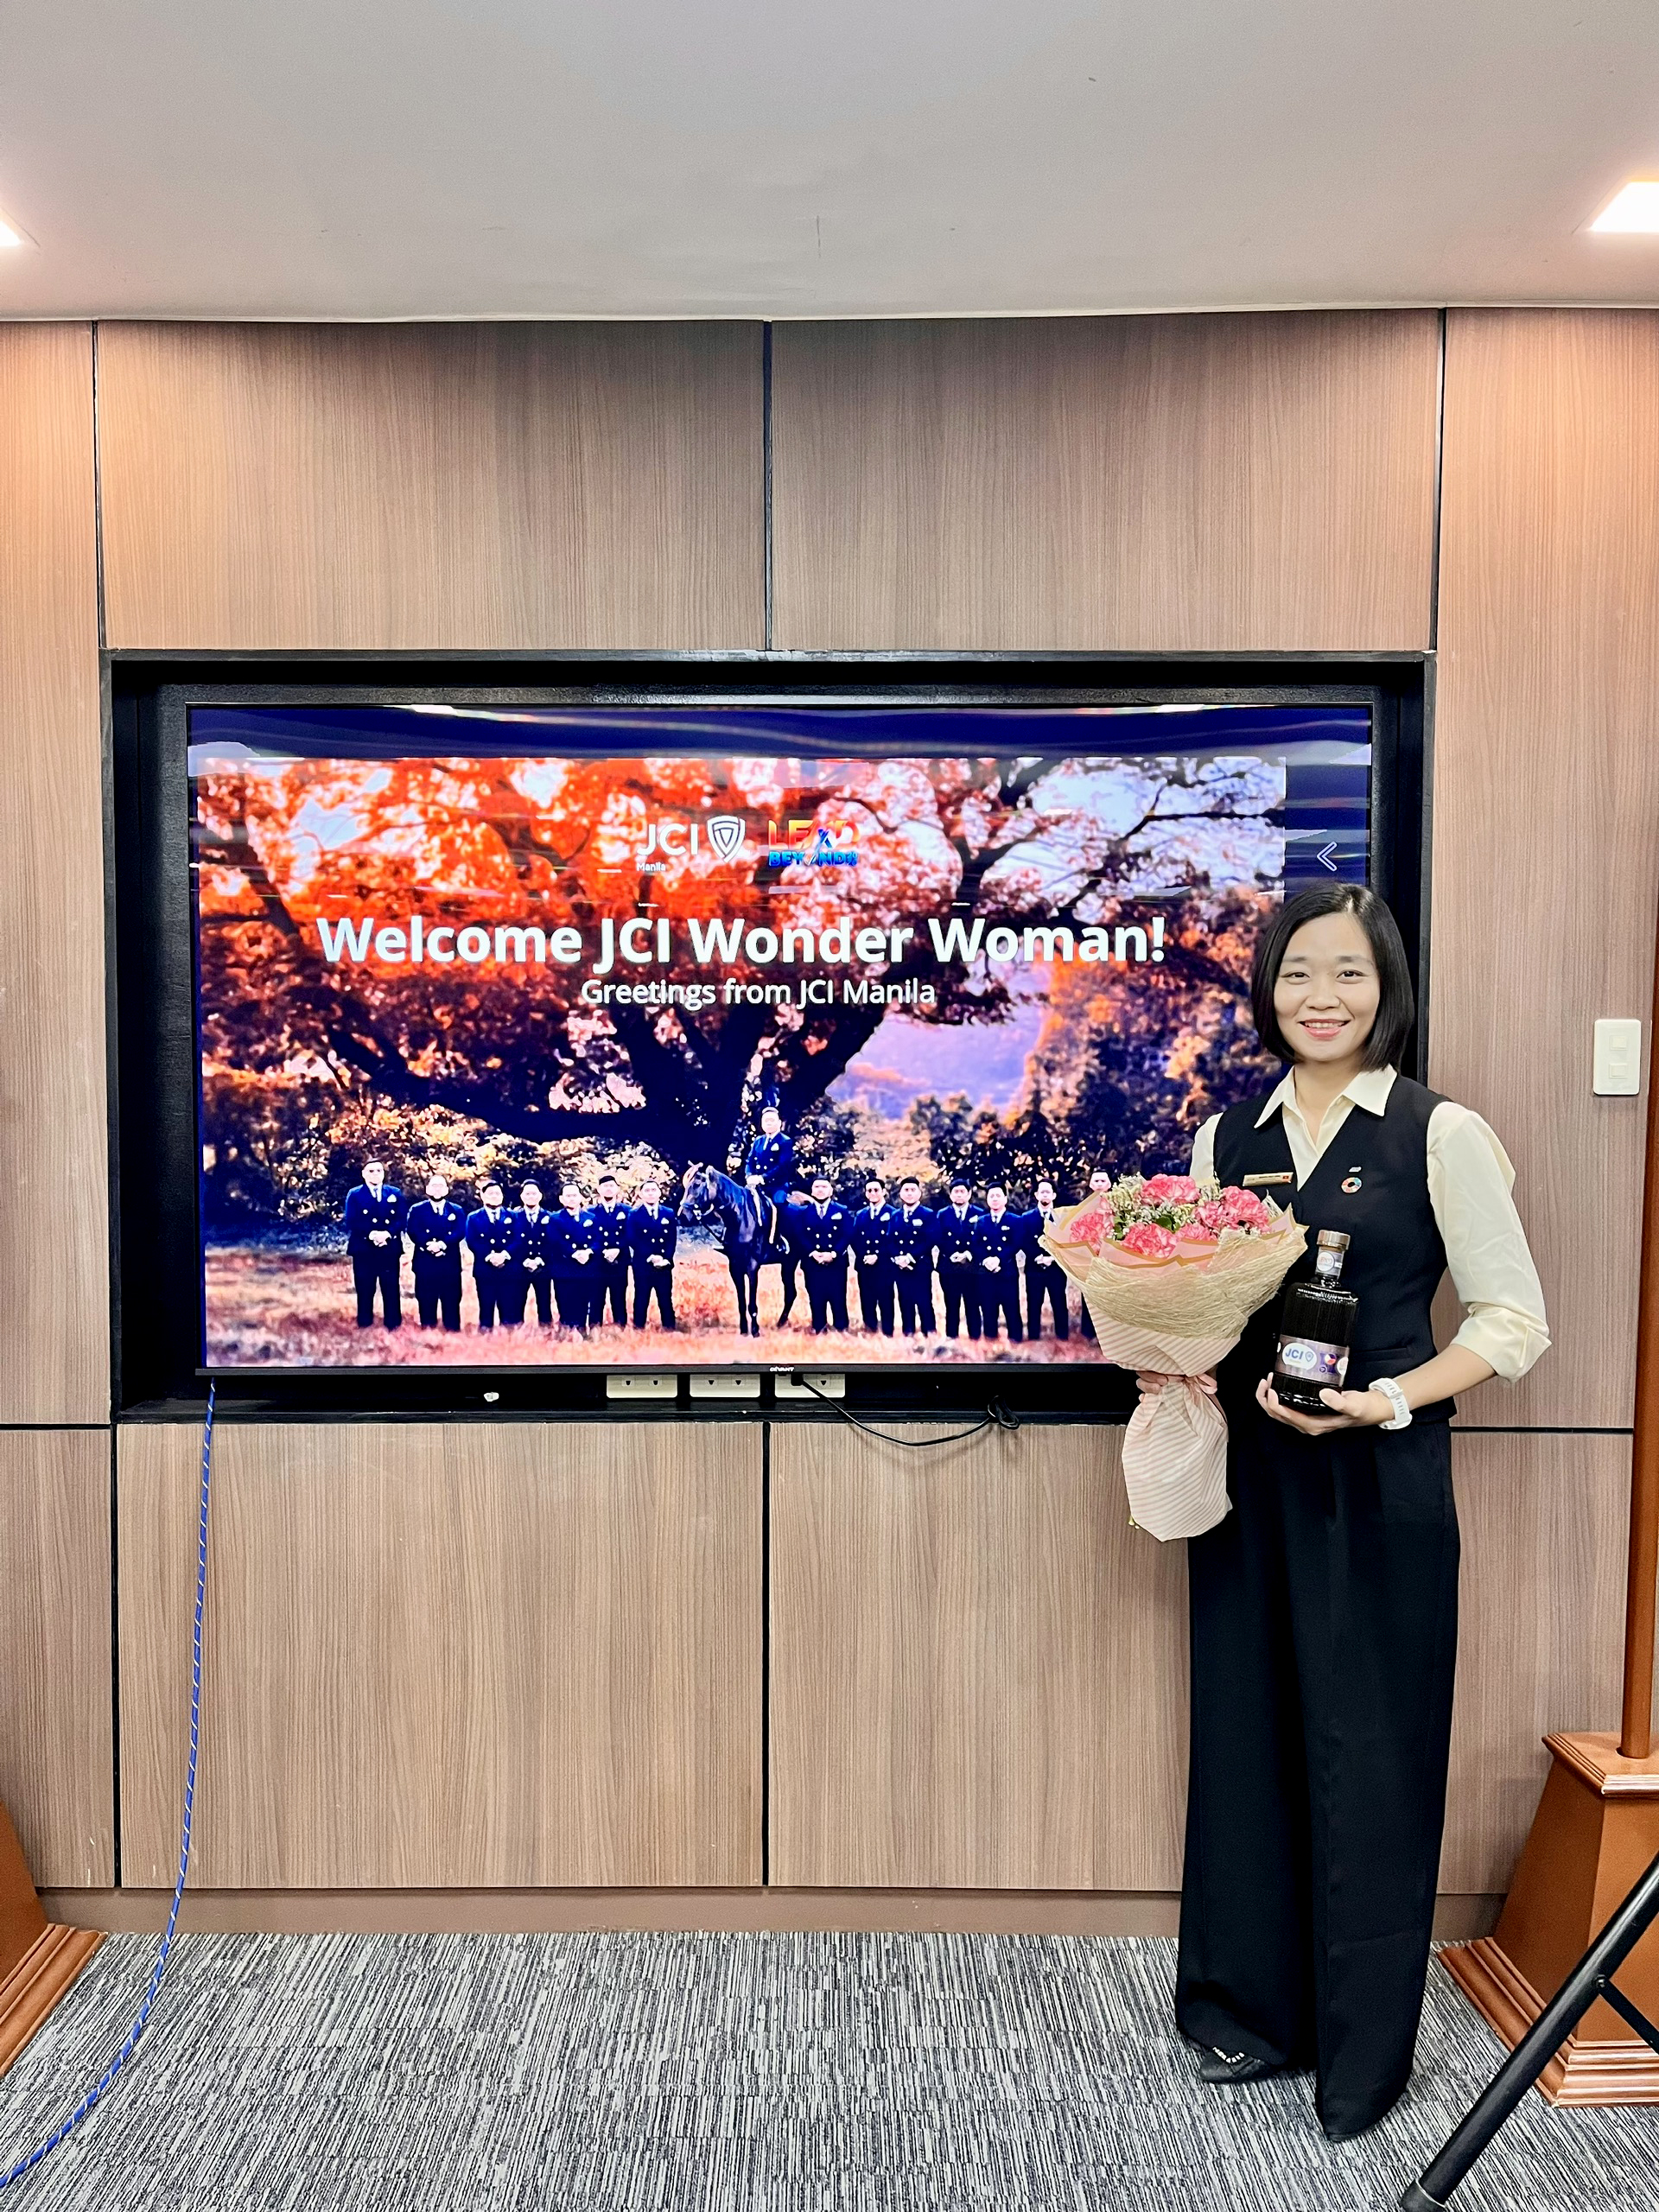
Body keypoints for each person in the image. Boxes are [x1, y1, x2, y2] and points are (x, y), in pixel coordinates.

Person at [1170, 883, 1548, 2141]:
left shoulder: (1440, 1132)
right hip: (1254, 1483)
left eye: (1346, 973)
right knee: (1247, 1734)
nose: (1319, 998)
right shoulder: (1227, 1138)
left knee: (1369, 1753)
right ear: (1265, 990)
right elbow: (1200, 1303)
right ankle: (1248, 2013)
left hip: (1381, 1475)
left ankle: (1360, 2055)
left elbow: (1512, 1323)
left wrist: (1387, 1399)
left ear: (1387, 988)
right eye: (1296, 973)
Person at [343, 1159, 405, 1331]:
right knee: (365, 1286)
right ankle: (365, 1322)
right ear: (363, 1174)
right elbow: (351, 1220)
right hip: (364, 1248)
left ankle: (393, 1323)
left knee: (390, 1286)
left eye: (379, 1171)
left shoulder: (394, 1193)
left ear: (384, 1174)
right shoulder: (354, 1194)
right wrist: (371, 1234)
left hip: (389, 1247)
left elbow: (401, 1219)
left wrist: (387, 1234)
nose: (375, 1174)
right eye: (371, 1171)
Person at [404, 1173, 465, 1331]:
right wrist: (428, 1245)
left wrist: (443, 1245)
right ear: (427, 1189)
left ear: (447, 1190)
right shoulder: (417, 1209)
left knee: (451, 1299)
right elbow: (412, 1231)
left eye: (441, 1186)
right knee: (426, 1299)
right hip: (425, 1261)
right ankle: (428, 1330)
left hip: (449, 1261)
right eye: (434, 1186)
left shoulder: (456, 1210)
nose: (437, 1189)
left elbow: (460, 1231)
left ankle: (452, 1331)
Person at [797, 1175, 851, 1334]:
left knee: (838, 1296)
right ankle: (819, 1328)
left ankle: (841, 1329)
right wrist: (813, 1253)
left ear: (831, 1191)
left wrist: (834, 1254)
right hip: (812, 1262)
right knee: (816, 1296)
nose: (820, 1190)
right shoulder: (804, 1213)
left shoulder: (841, 1210)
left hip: (836, 1262)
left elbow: (847, 1234)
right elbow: (800, 1235)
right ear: (812, 1191)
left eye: (824, 1187)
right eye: (817, 1187)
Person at [971, 1185, 1025, 1341]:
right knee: (988, 1308)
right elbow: (975, 1245)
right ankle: (990, 1341)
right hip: (986, 1272)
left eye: (998, 1196)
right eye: (991, 1196)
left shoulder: (1015, 1220)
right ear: (987, 1200)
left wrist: (999, 1260)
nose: (995, 1199)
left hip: (1007, 1271)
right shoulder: (981, 1221)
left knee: (1011, 1308)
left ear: (1005, 1199)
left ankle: (1016, 1340)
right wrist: (986, 1260)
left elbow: (1016, 1243)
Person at [465, 1182, 519, 1331]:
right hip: (485, 1269)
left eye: (497, 1193)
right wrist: (490, 1256)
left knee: (508, 1307)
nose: (494, 1196)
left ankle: (508, 1338)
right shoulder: (473, 1217)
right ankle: (485, 1336)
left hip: (508, 1268)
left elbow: (518, 1239)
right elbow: (472, 1241)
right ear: (482, 1196)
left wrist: (504, 1256)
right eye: (490, 1193)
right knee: (486, 1307)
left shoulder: (513, 1216)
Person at [547, 1180, 597, 1336]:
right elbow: (554, 1241)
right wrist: (573, 1253)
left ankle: (582, 1331)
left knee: (584, 1300)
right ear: (561, 1199)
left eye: (575, 1195)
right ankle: (566, 1333)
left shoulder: (591, 1217)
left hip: (586, 1267)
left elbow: (598, 1239)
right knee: (565, 1300)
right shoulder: (555, 1219)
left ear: (580, 1197)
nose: (572, 1198)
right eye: (568, 1196)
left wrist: (589, 1251)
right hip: (564, 1267)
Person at [1022, 1177, 1070, 1341]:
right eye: (1042, 1192)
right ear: (1036, 1195)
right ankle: (1033, 1337)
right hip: (1034, 1267)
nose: (1045, 1195)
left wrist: (1052, 1258)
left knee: (1059, 1302)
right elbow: (1024, 1241)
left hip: (1056, 1267)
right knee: (1034, 1303)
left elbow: (1066, 1241)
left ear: (1054, 1195)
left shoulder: (1062, 1218)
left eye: (1048, 1192)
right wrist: (1037, 1257)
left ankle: (1063, 1336)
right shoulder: (1026, 1218)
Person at [888, 1176, 936, 1336]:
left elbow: (930, 1240)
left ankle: (929, 1334)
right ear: (901, 1194)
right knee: (905, 1302)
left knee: (924, 1302)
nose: (909, 1193)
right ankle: (908, 1334)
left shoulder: (928, 1214)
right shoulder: (895, 1215)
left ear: (919, 1193)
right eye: (906, 1190)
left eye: (913, 1190)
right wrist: (897, 1258)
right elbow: (889, 1240)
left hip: (920, 1266)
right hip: (900, 1267)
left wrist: (910, 1257)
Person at [935, 1179, 982, 1340]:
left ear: (969, 1194)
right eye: (956, 1192)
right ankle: (951, 1338)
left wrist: (968, 1254)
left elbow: (982, 1238)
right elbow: (937, 1237)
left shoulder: (979, 1213)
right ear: (950, 1195)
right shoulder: (942, 1214)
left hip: (972, 1267)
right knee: (951, 1304)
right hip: (949, 1266)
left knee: (973, 1303)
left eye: (963, 1192)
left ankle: (975, 1338)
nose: (959, 1195)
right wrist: (951, 1254)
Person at [627, 1178, 677, 1329]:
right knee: (641, 1297)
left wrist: (666, 1258)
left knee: (665, 1298)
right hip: (643, 1264)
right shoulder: (634, 1214)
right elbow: (632, 1238)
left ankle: (670, 1329)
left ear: (659, 1193)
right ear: (641, 1194)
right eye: (647, 1191)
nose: (650, 1193)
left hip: (664, 1264)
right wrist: (650, 1256)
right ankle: (638, 1329)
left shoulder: (668, 1213)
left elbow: (672, 1239)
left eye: (653, 1190)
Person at [850, 1177, 896, 1336]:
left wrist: (878, 1256)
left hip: (885, 1265)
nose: (873, 1193)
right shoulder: (861, 1214)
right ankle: (870, 1331)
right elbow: (855, 1238)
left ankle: (888, 1333)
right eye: (869, 1190)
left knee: (886, 1300)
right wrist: (864, 1255)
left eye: (876, 1190)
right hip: (865, 1265)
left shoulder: (893, 1213)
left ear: (884, 1192)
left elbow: (893, 1240)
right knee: (867, 1300)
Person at [588, 1171, 632, 1327]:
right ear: (599, 1190)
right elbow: (589, 1237)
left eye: (612, 1186)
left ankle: (620, 1330)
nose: (608, 1189)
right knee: (596, 1298)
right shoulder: (590, 1212)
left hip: (620, 1261)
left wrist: (618, 1249)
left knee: (619, 1298)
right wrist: (602, 1251)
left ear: (617, 1189)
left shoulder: (627, 1211)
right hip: (597, 1262)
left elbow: (631, 1234)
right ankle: (595, 1330)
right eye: (605, 1186)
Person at [512, 1181, 556, 1328]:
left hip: (543, 1267)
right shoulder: (514, 1217)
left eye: (534, 1193)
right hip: (520, 1267)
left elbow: (553, 1242)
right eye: (527, 1194)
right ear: (522, 1196)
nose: (531, 1196)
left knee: (544, 1303)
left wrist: (539, 1260)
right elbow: (512, 1240)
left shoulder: (550, 1217)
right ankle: (516, 1333)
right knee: (517, 1303)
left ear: (540, 1196)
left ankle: (546, 1332)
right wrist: (523, 1260)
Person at [1077, 1166, 1113, 1342]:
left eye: (1102, 1181)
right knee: (1089, 1294)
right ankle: (1088, 1332)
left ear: (1109, 1184)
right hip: (1090, 1257)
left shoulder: (1116, 1205)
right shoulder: (1083, 1207)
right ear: (1091, 1185)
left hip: (1111, 1258)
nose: (1099, 1184)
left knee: (1109, 1295)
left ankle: (1109, 1333)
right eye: (1096, 1181)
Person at [744, 1104, 795, 1199]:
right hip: (756, 1184)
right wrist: (749, 1175)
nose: (768, 1123)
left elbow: (782, 1166)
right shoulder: (758, 1141)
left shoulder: (785, 1141)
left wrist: (763, 1178)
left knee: (779, 1203)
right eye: (766, 1121)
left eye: (772, 1120)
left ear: (779, 1123)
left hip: (777, 1185)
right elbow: (750, 1161)